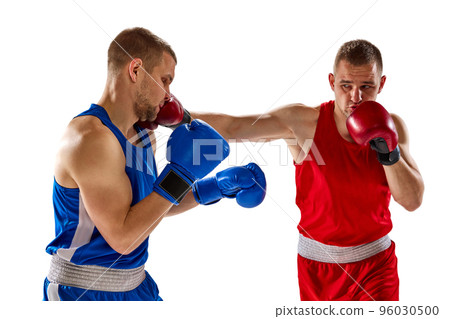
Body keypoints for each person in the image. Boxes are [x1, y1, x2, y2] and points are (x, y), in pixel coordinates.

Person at [181, 39, 424, 301]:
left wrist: (390, 155)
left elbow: (412, 201)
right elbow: (234, 126)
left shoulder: (393, 126)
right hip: (317, 269)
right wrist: (175, 118)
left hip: (375, 267)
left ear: (381, 84)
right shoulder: (303, 124)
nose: (356, 97)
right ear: (332, 82)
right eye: (346, 86)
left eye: (367, 86)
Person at [43, 27, 266, 301]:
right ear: (135, 70)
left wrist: (214, 188)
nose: (169, 95)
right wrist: (182, 174)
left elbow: (147, 208)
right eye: (165, 80)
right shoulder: (90, 139)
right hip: (81, 293)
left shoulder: (142, 135)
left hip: (136, 286)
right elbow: (124, 238)